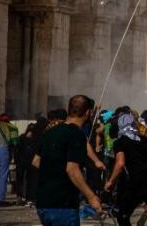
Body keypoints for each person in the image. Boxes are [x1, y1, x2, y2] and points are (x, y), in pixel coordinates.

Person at [33, 95, 102, 226]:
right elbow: (72, 169)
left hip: (43, 202)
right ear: (88, 112)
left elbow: (36, 161)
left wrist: (54, 172)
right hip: (63, 203)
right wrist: (92, 197)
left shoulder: (50, 132)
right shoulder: (76, 134)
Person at [104, 113, 147, 226]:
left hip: (135, 183)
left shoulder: (120, 142)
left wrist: (111, 181)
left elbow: (120, 163)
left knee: (123, 216)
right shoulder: (144, 140)